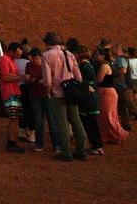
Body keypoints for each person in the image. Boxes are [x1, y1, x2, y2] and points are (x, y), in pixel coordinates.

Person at [42, 31, 87, 161]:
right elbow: (78, 76)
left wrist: (48, 91)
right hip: (72, 92)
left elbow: (47, 79)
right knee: (76, 120)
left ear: (47, 43)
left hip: (58, 92)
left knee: (62, 124)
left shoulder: (46, 55)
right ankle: (81, 150)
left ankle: (66, 152)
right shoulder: (69, 54)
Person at [96, 47, 129, 144]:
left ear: (102, 56)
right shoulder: (106, 64)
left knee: (109, 116)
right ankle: (110, 136)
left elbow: (99, 80)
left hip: (107, 93)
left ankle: (119, 135)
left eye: (97, 54)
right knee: (106, 116)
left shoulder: (104, 66)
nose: (95, 56)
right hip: (106, 93)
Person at [0, 42, 26, 153]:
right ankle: (11, 143)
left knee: (15, 118)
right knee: (13, 118)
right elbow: (5, 77)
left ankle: (13, 141)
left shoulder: (10, 60)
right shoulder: (5, 60)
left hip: (13, 91)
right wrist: (21, 77)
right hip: (9, 92)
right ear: (11, 51)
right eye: (17, 53)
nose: (19, 56)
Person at [78, 47, 104, 155]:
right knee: (93, 124)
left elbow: (83, 83)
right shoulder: (89, 65)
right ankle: (98, 146)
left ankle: (95, 146)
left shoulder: (83, 67)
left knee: (89, 124)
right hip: (91, 98)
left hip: (87, 100)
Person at [25, 48, 51, 151]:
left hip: (45, 93)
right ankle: (39, 144)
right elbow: (27, 79)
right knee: (39, 120)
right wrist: (32, 80)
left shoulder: (45, 65)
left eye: (36, 58)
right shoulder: (29, 65)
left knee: (50, 119)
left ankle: (56, 144)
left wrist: (32, 80)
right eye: (33, 58)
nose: (35, 61)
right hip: (36, 94)